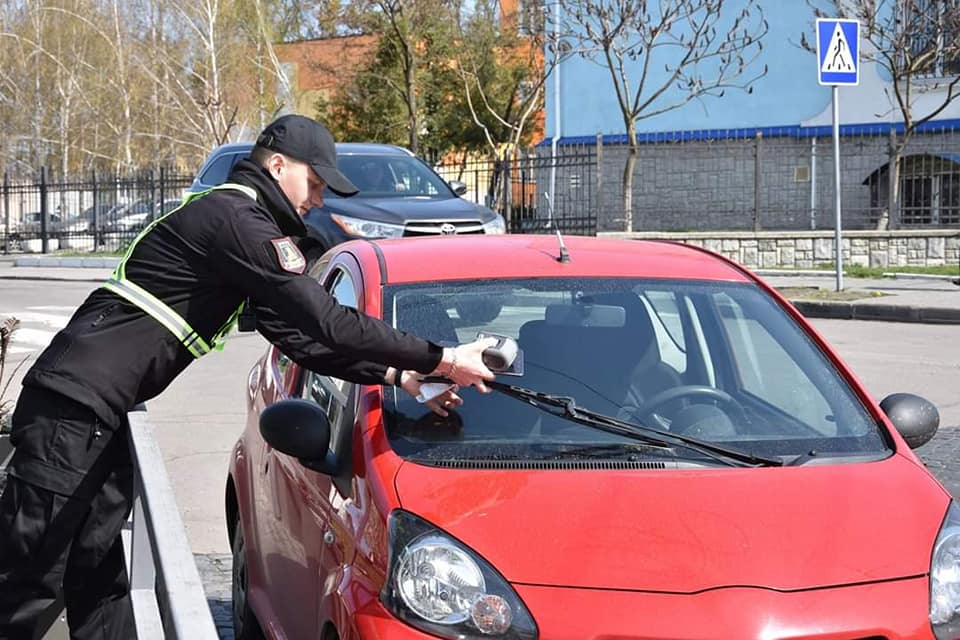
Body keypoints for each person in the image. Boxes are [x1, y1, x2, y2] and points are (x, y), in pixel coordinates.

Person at [0, 114, 495, 639]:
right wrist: (439, 357)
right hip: (72, 409)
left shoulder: (237, 225)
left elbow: (301, 339)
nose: (320, 200)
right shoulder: (238, 221)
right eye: (316, 182)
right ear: (278, 166)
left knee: (96, 571)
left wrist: (398, 375)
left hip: (95, 409)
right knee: (29, 581)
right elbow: (326, 320)